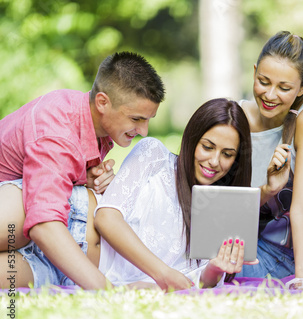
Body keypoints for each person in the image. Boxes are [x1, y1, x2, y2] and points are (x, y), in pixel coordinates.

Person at [0, 98, 268, 290]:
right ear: (192, 139)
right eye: (208, 147)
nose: (214, 161)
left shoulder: (221, 215)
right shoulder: (155, 155)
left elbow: (196, 281)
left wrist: (218, 267)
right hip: (71, 214)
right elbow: (106, 218)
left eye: (227, 154)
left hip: (69, 272)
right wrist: (161, 273)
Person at [0, 51, 165, 290]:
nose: (144, 131)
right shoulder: (57, 131)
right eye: (136, 119)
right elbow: (44, 224)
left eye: (148, 119)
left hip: (41, 243)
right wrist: (108, 293)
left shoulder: (96, 124)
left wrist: (84, 178)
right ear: (102, 102)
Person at [236, 31, 303, 289]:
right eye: (263, 81)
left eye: (284, 88)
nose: (270, 95)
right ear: (254, 73)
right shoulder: (237, 115)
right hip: (232, 238)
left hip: (277, 252)